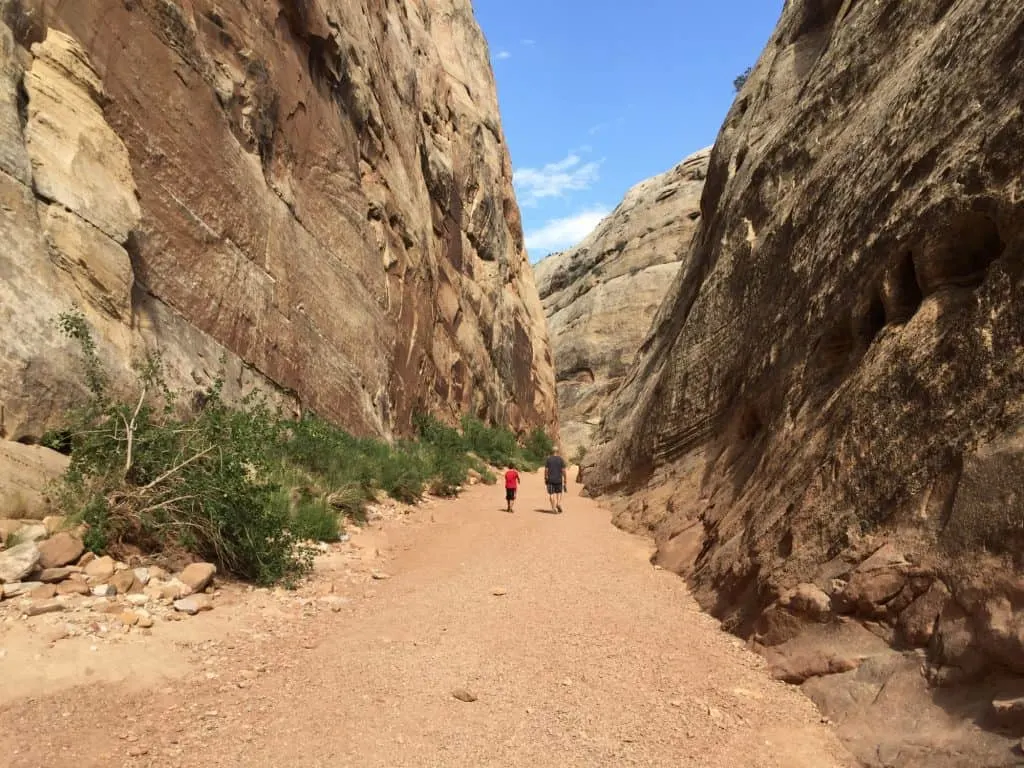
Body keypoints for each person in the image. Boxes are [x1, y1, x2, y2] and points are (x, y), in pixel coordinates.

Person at [544, 447, 567, 514]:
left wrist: (545, 478)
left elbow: (546, 470)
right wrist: (565, 479)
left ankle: (553, 508)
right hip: (559, 479)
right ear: (558, 451)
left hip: (550, 480)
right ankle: (558, 503)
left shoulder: (548, 459)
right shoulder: (561, 459)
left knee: (551, 494)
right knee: (559, 492)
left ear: (552, 451)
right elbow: (563, 471)